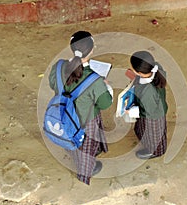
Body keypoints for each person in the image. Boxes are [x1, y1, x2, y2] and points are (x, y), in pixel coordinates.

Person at [48, 31, 113, 185]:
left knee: (71, 139)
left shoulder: (58, 67)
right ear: (92, 50)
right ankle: (86, 169)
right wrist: (106, 87)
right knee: (85, 145)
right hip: (86, 120)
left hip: (63, 113)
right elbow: (105, 103)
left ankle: (72, 150)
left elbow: (53, 84)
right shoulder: (95, 80)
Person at [129, 50, 168, 159]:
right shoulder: (157, 69)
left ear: (139, 72)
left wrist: (131, 111)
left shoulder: (147, 92)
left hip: (152, 117)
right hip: (156, 108)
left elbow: (149, 111)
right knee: (149, 132)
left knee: (154, 136)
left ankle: (156, 151)